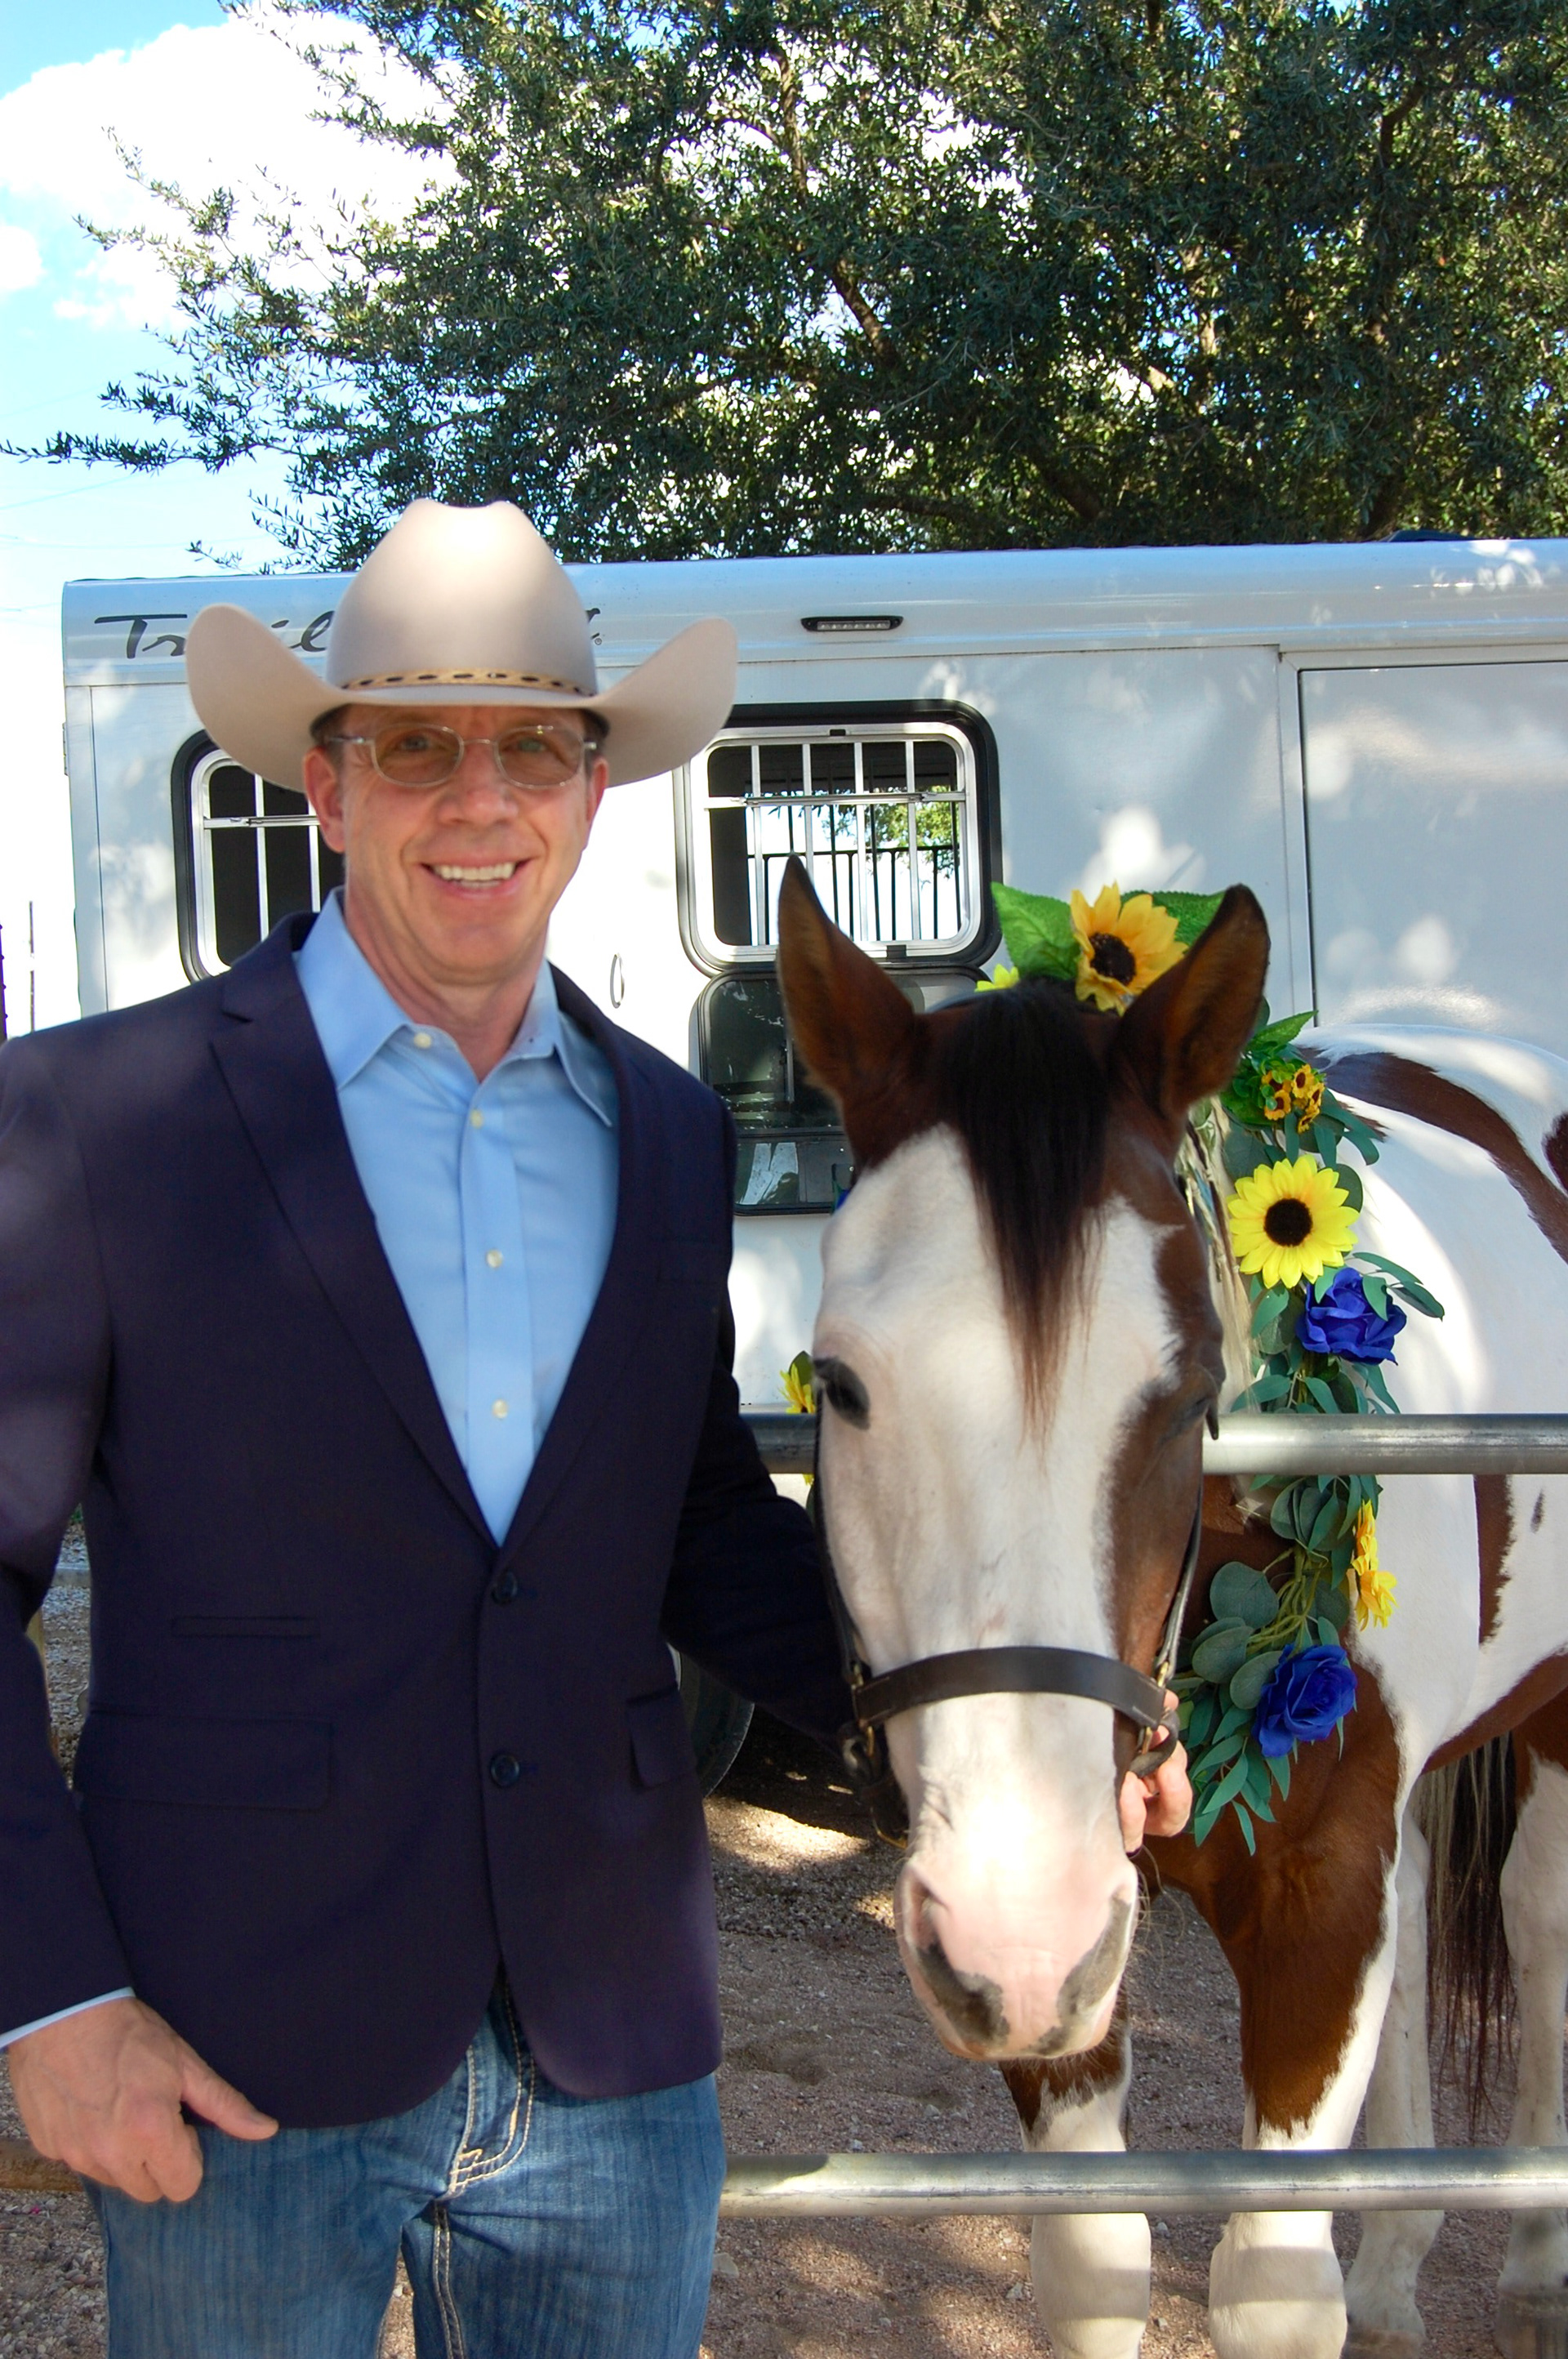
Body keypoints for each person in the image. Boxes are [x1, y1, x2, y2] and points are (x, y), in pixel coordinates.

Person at [0, 497, 1189, 2359]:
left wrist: (1031, 1715)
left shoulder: (670, 1131)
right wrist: (53, 2004)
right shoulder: (94, 1120)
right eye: (417, 746)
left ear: (593, 789)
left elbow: (693, 1515)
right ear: (326, 786)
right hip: (238, 2048)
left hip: (611, 2051)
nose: (480, 799)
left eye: (534, 749)